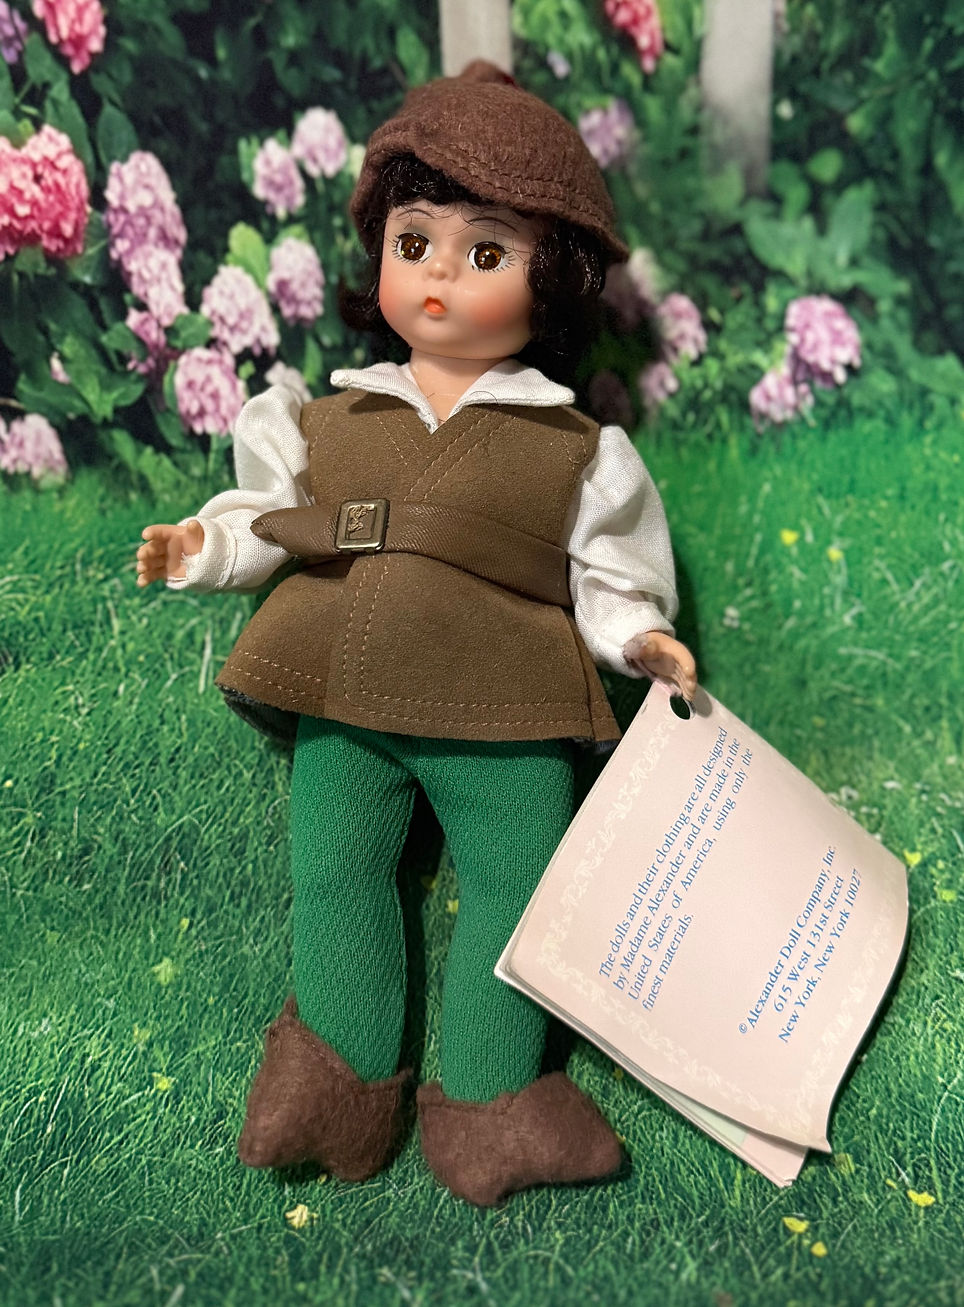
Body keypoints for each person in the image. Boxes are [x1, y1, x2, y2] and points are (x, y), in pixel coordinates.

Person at [135, 62, 696, 1207]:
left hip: (507, 710)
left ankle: (494, 1099)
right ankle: (334, 1082)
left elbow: (607, 574)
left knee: (517, 883)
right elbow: (266, 519)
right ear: (378, 256)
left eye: (485, 252)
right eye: (413, 241)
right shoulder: (324, 418)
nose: (439, 273)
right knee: (335, 872)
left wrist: (639, 640)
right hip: (344, 693)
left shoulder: (576, 450)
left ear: (554, 281)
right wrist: (201, 546)